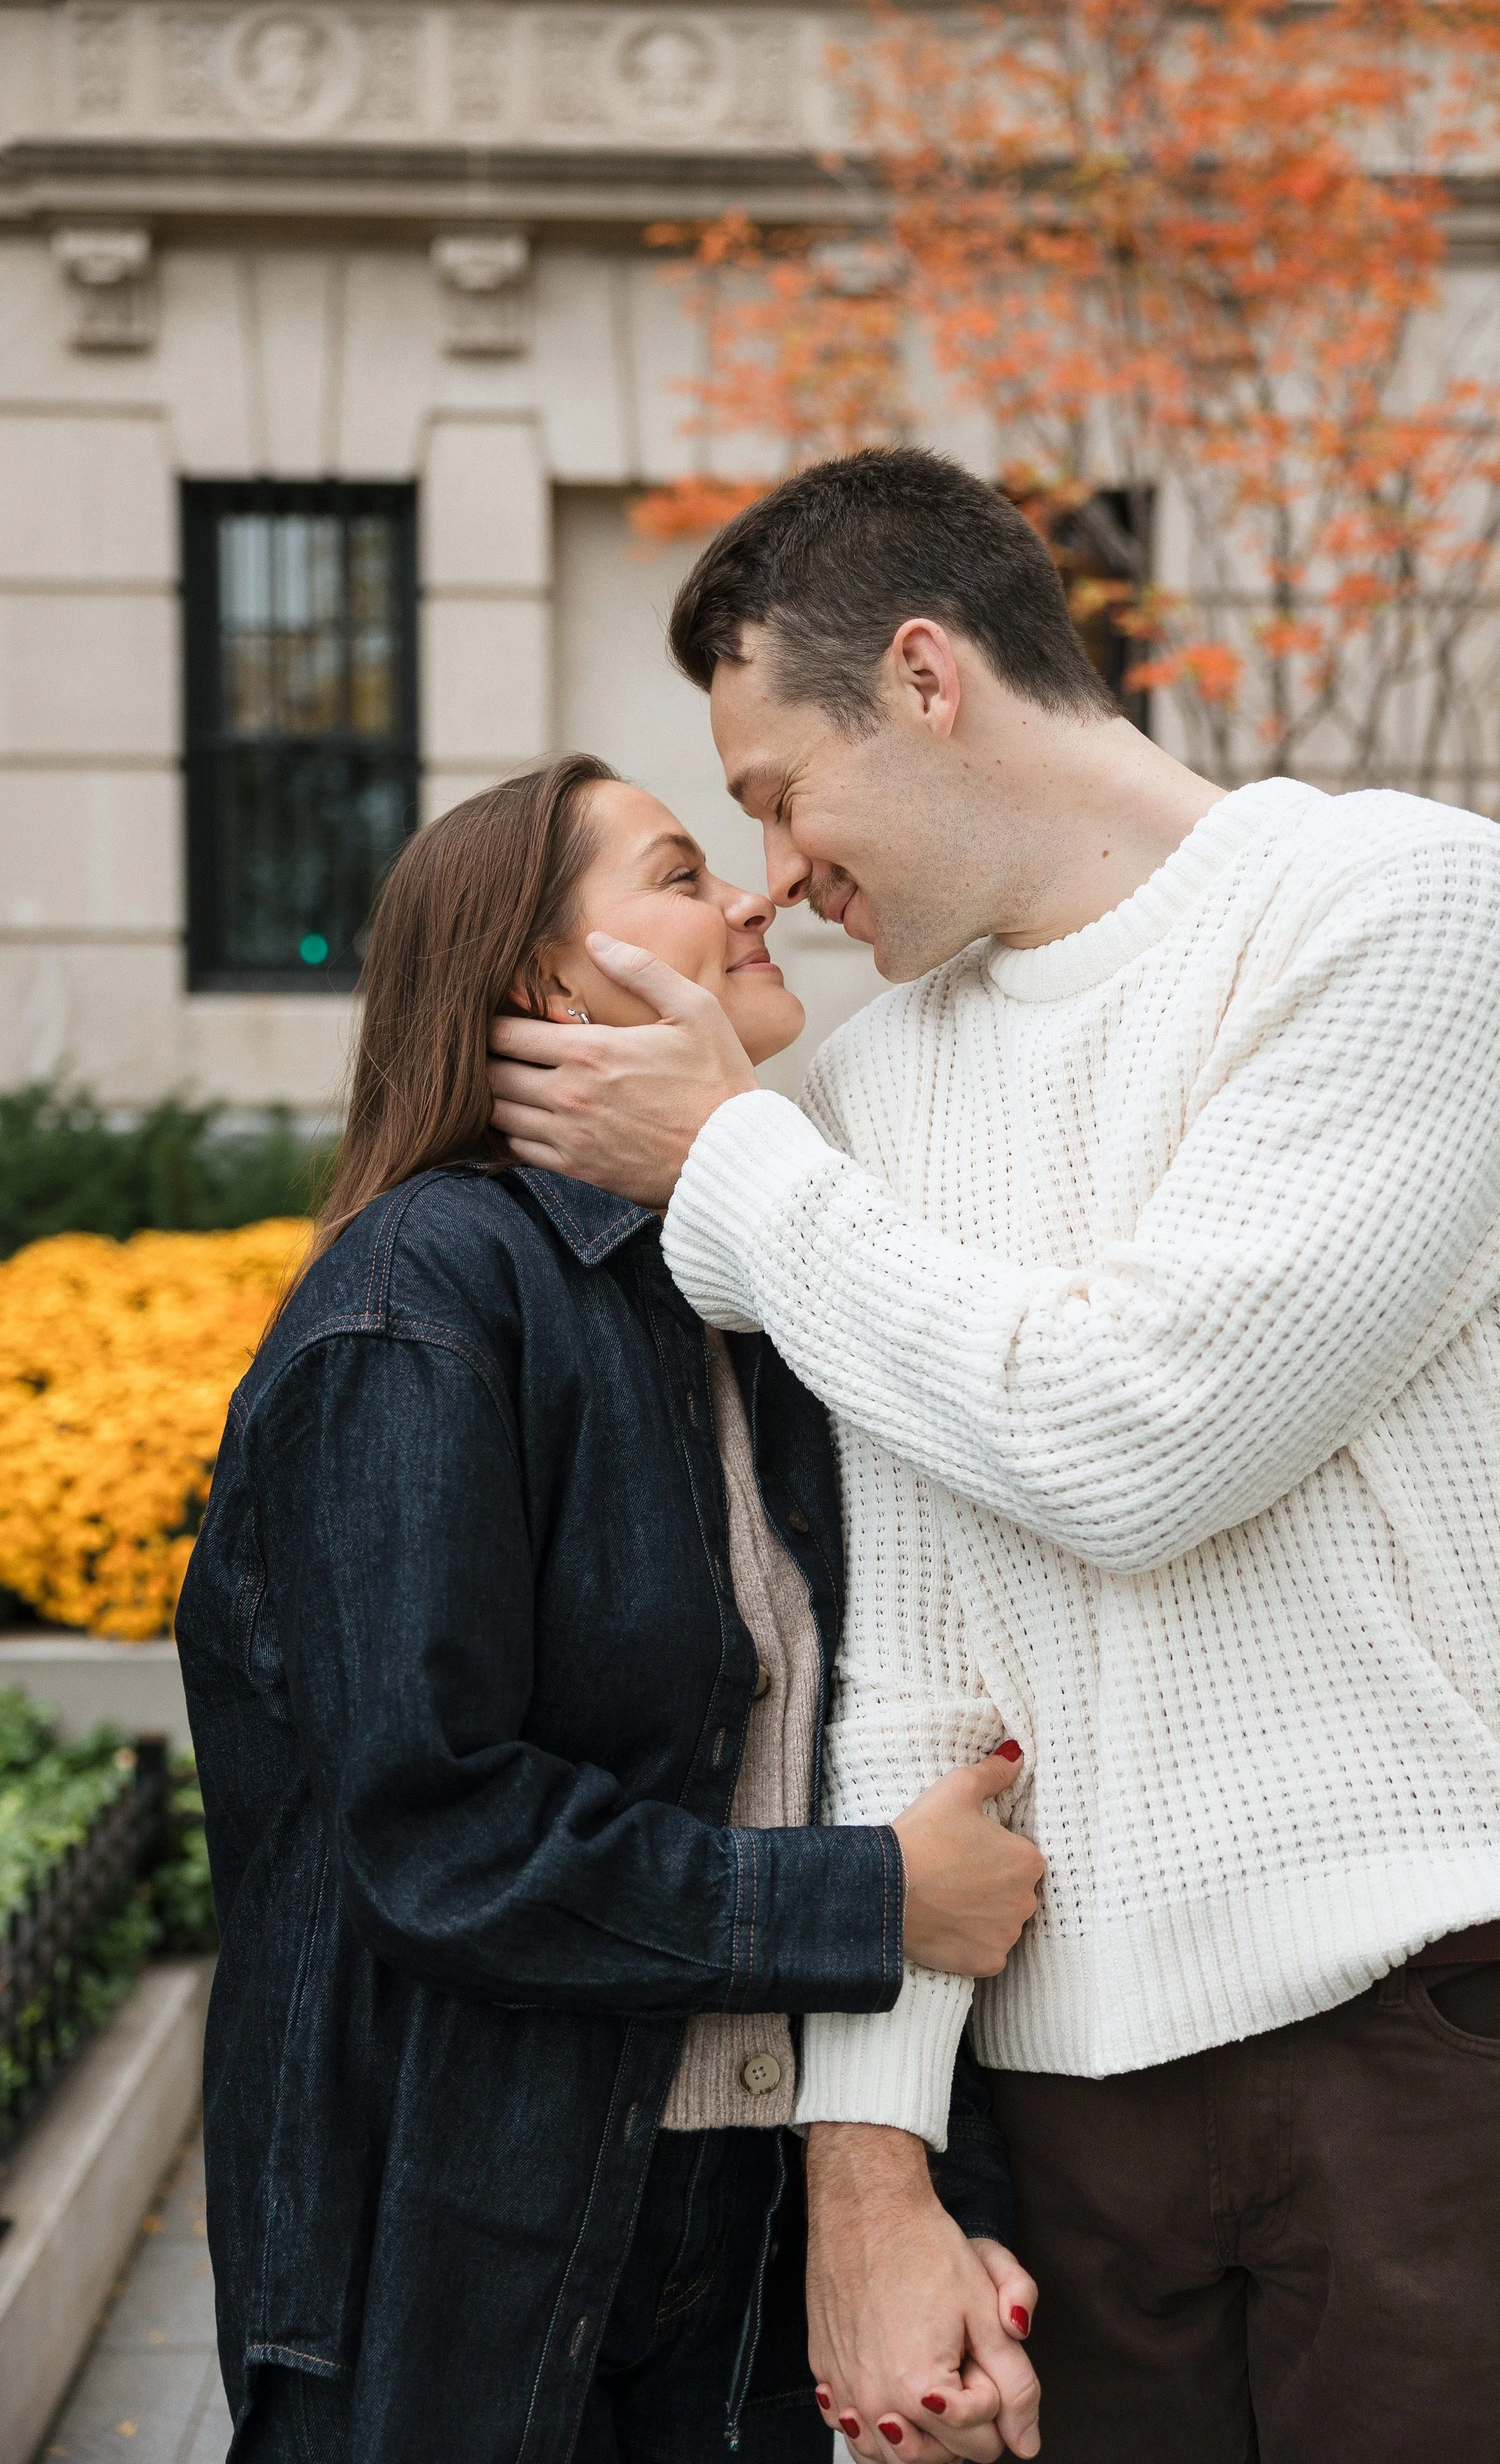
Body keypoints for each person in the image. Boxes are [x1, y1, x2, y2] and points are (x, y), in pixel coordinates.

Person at [486, 449, 1500, 2464]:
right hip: (1059, 2117)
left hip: (1417, 2044)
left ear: (924, 677)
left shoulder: (1399, 907)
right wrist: (871, 2180)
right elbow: (906, 1677)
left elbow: (1142, 1430)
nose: (767, 871)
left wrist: (730, 1157)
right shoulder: (857, 1094)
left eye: (773, 788)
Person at [174, 752, 1047, 2464]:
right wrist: (871, 1898)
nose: (750, 895)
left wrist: (930, 2193)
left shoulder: (739, 1287)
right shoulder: (420, 1300)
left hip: (737, 2232)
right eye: (676, 869)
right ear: (540, 980)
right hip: (458, 2255)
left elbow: (845, 1733)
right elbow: (436, 1832)